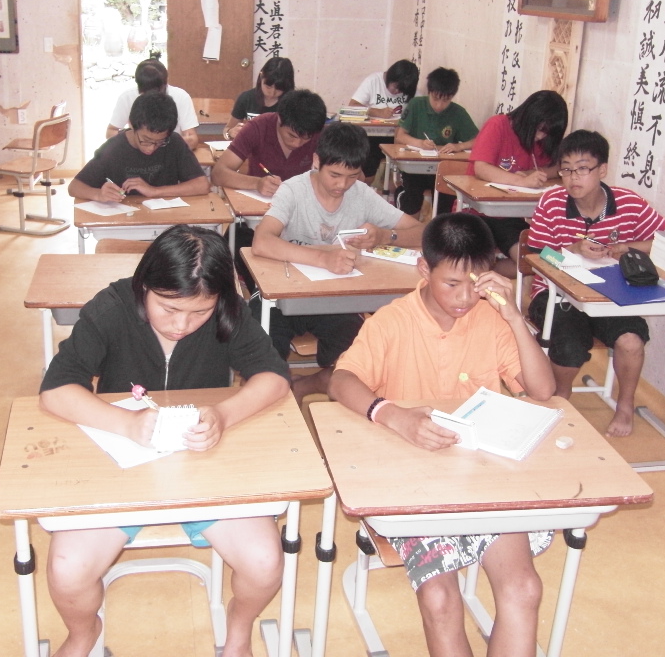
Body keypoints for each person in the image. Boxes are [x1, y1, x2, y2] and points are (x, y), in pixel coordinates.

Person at [39, 224, 291, 657]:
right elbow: (55, 390)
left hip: (204, 468)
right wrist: (124, 423)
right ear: (144, 286)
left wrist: (224, 415)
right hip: (121, 469)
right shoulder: (111, 308)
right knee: (67, 571)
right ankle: (83, 633)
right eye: (168, 308)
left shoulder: (229, 310)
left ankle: (238, 629)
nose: (181, 325)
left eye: (199, 312)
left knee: (265, 562)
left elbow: (274, 377)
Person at [329, 212, 556, 657]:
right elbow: (341, 380)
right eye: (451, 284)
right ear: (423, 269)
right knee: (439, 598)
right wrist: (393, 415)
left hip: (484, 480)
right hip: (413, 485)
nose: (465, 297)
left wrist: (514, 317)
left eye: (475, 283)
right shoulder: (392, 321)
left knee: (524, 588)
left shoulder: (491, 319)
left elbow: (543, 390)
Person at [251, 122, 425, 402]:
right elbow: (261, 242)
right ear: (316, 161)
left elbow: (422, 232)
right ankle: (280, 391)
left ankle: (307, 385)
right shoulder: (293, 191)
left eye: (352, 176)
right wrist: (323, 257)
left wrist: (385, 235)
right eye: (334, 175)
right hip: (283, 296)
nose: (341, 185)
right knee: (262, 360)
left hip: (336, 300)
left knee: (361, 365)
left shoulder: (362, 195)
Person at [525, 130, 665, 437]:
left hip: (611, 296)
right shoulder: (552, 202)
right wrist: (572, 250)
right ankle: (560, 395)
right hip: (555, 294)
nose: (572, 178)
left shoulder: (629, 203)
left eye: (582, 168)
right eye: (566, 169)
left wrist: (628, 246)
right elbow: (536, 255)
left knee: (631, 341)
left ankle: (625, 405)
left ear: (602, 169)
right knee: (569, 346)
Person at [212, 89, 328, 290]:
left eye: (305, 139)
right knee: (237, 242)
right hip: (260, 216)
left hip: (302, 217)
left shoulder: (320, 135)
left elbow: (352, 176)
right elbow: (218, 173)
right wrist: (256, 183)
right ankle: (260, 292)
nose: (297, 143)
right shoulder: (258, 127)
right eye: (291, 135)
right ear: (279, 119)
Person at [468, 89, 568, 277]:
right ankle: (480, 269)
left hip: (510, 217)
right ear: (530, 117)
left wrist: (533, 174)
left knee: (542, 261)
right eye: (541, 129)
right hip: (478, 212)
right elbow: (481, 167)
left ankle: (488, 269)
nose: (542, 137)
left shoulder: (541, 140)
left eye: (548, 133)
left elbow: (557, 167)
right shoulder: (498, 125)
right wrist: (521, 181)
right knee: (469, 263)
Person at [69, 91, 209, 202]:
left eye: (160, 142)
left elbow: (202, 185)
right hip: (124, 221)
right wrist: (99, 194)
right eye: (146, 140)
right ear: (131, 124)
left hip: (165, 219)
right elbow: (74, 187)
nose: (151, 148)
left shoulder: (174, 142)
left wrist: (154, 191)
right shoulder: (114, 148)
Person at [394, 67, 478, 218]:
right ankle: (410, 225)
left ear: (452, 97)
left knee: (444, 206)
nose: (439, 105)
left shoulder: (458, 112)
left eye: (445, 100)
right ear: (429, 92)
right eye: (435, 99)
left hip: (442, 168)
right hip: (415, 167)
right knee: (412, 200)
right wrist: (420, 143)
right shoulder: (416, 105)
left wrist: (459, 146)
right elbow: (400, 136)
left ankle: (436, 228)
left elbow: (479, 140)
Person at [348, 59, 420, 181]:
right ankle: (367, 185)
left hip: (399, 136)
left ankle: (395, 187)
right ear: (390, 76)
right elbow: (352, 106)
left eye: (401, 90)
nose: (397, 92)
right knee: (369, 163)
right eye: (395, 87)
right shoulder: (373, 81)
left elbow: (420, 110)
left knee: (406, 165)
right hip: (373, 135)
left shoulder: (410, 88)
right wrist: (376, 112)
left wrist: (405, 121)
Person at [106, 58, 200, 150]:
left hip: (170, 151)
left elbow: (192, 139)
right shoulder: (127, 97)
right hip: (138, 152)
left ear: (166, 82)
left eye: (157, 90)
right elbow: (111, 132)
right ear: (138, 86)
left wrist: (168, 143)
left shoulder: (181, 97)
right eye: (146, 91)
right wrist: (135, 140)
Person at [223, 56, 295, 140]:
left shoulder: (293, 103)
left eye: (279, 89)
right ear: (261, 77)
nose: (272, 93)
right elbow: (227, 129)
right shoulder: (246, 98)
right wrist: (230, 133)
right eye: (268, 87)